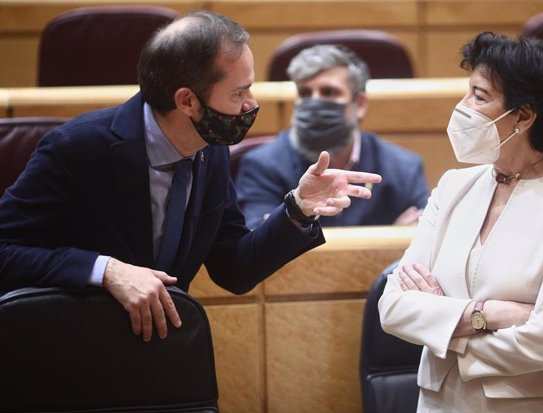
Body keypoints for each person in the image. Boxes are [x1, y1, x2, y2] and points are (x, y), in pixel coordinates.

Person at [0, 11, 381, 343]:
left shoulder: (209, 148)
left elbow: (234, 268)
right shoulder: (79, 147)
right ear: (187, 101)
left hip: (160, 351)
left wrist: (297, 209)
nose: (251, 105)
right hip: (71, 348)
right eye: (239, 93)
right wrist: (105, 270)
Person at [378, 32, 543, 413]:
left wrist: (443, 329)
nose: (462, 107)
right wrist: (488, 314)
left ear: (523, 115)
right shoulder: (454, 186)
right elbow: (393, 307)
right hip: (442, 410)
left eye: (479, 96)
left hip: (535, 412)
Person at [235, 44, 429, 229]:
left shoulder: (403, 168)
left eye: (328, 92)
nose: (315, 103)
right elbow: (258, 238)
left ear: (360, 104)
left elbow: (425, 236)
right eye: (305, 93)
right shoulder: (262, 165)